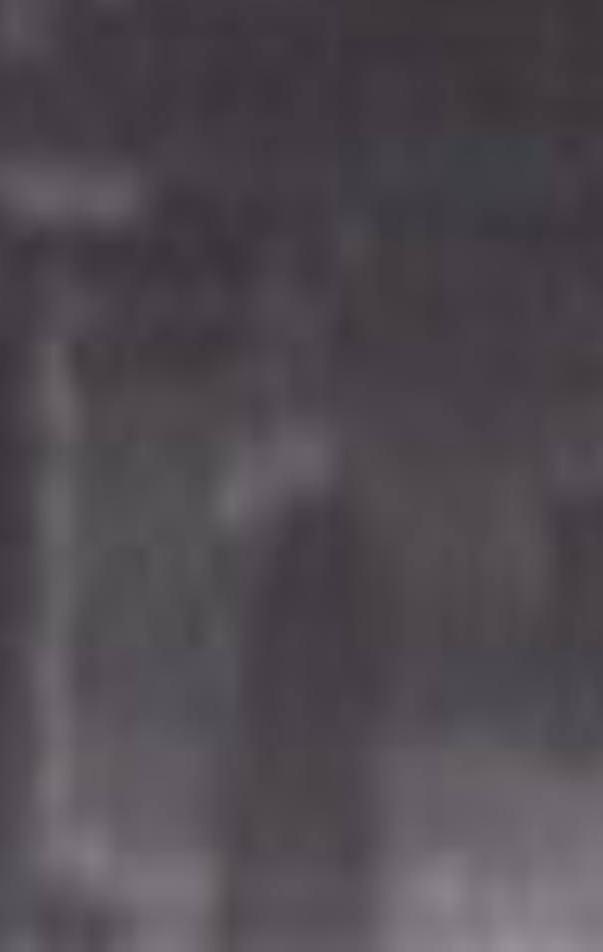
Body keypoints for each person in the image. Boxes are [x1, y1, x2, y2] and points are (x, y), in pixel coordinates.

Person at [205, 346, 396, 952]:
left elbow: (369, 635)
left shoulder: (328, 532)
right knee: (288, 858)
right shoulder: (304, 528)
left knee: (302, 859)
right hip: (292, 730)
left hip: (306, 729)